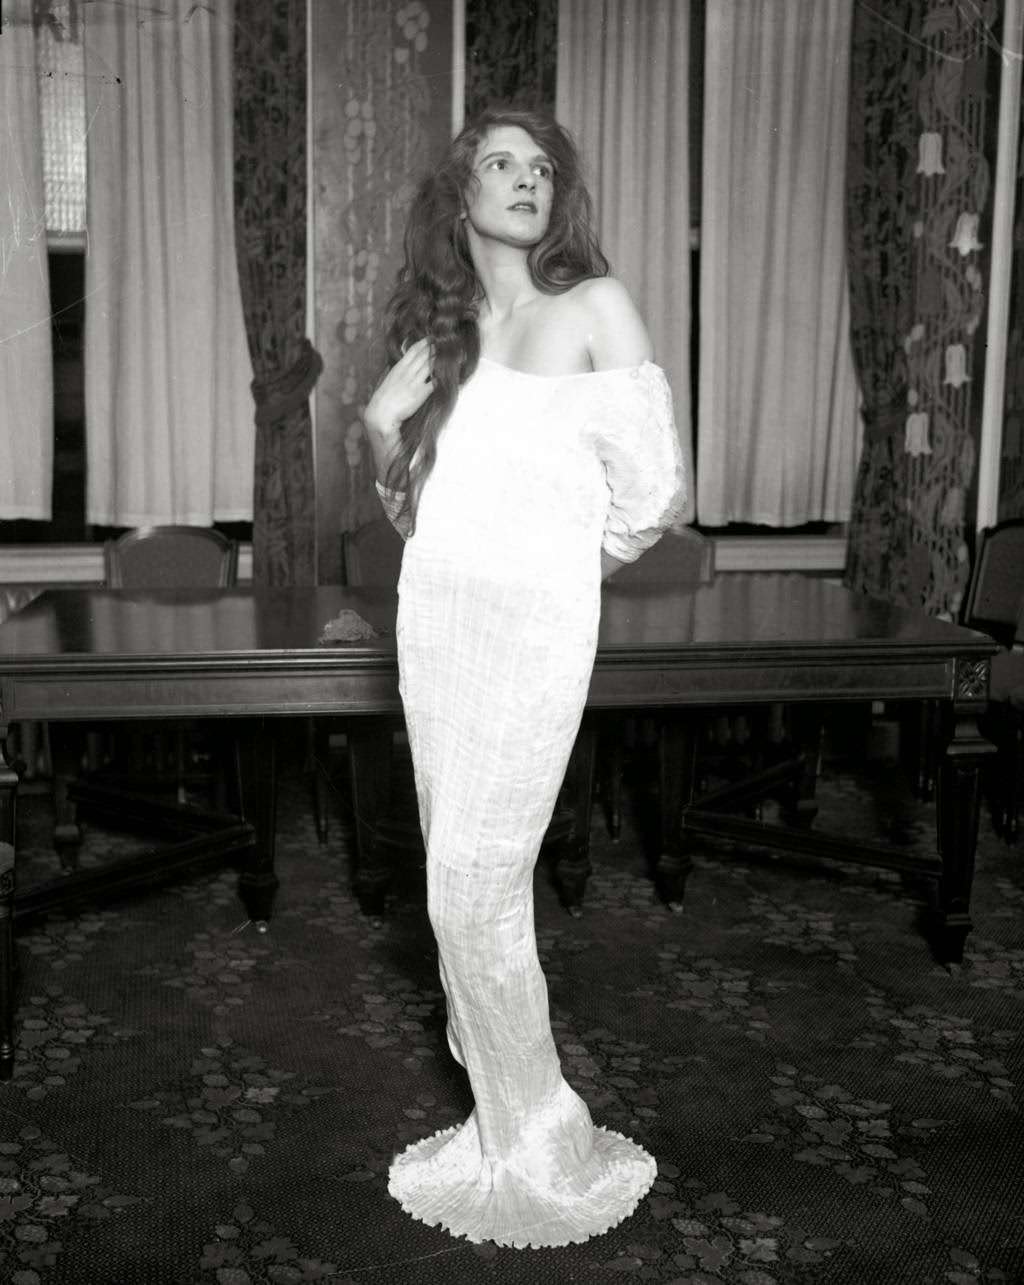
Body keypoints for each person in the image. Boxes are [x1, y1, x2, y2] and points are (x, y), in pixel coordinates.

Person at [362, 106, 686, 1249]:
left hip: (531, 639)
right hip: (436, 631)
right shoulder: (445, 342)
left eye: (540, 166)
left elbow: (654, 496)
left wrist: (557, 581)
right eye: (499, 162)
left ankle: (544, 1132)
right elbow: (416, 515)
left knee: (471, 888)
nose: (525, 178)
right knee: (453, 893)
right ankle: (506, 1120)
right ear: (458, 194)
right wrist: (378, 426)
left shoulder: (593, 305)